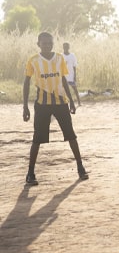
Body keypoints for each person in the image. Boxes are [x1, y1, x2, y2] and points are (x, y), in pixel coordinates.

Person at [22, 31, 89, 186]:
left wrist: (71, 100)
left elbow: (63, 79)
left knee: (71, 135)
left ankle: (80, 167)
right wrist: (25, 106)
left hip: (61, 103)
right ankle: (30, 173)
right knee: (37, 139)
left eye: (50, 43)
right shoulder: (33, 60)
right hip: (42, 105)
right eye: (44, 43)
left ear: (53, 44)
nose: (47, 46)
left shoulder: (59, 58)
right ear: (38, 44)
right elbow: (26, 82)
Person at [62, 42, 81, 107]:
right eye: (64, 47)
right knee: (63, 91)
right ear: (63, 47)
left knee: (75, 89)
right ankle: (64, 103)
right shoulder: (61, 56)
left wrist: (74, 75)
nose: (66, 48)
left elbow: (74, 66)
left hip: (71, 76)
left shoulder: (72, 55)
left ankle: (79, 102)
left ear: (69, 47)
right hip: (64, 76)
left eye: (67, 47)